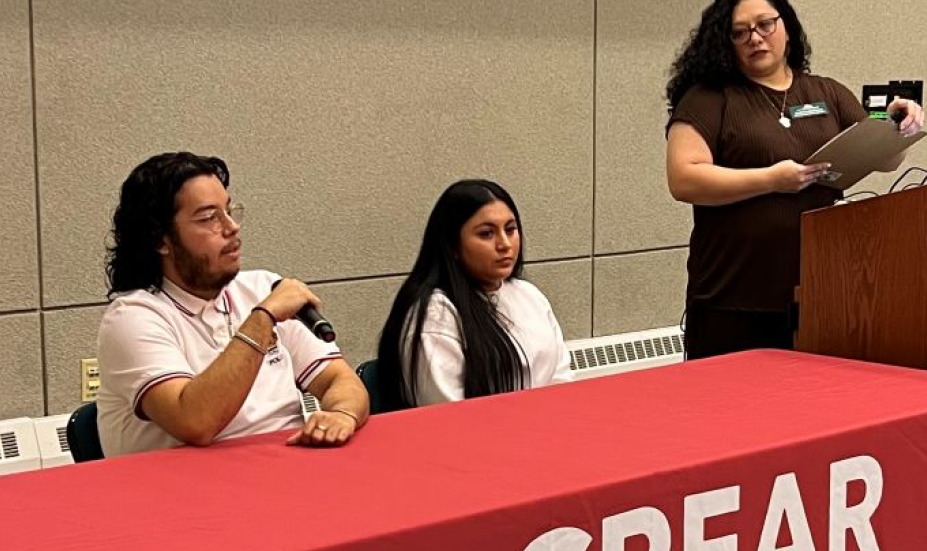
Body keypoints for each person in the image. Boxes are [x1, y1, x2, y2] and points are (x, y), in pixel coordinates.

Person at [664, 0, 924, 359]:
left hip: (820, 292)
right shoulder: (710, 97)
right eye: (740, 32)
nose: (755, 38)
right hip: (733, 297)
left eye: (765, 24)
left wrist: (896, 124)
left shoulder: (826, 93)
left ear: (786, 26)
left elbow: (885, 159)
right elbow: (683, 178)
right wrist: (770, 179)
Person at [97, 152, 369, 457]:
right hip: (183, 492)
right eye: (209, 217)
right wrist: (263, 318)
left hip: (284, 470)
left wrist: (341, 414)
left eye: (229, 211)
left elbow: (340, 379)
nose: (232, 227)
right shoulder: (133, 317)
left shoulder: (262, 287)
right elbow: (196, 422)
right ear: (161, 240)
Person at [376, 179, 571, 409]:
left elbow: (561, 382)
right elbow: (446, 417)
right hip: (477, 440)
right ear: (452, 246)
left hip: (545, 432)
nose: (505, 244)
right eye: (487, 234)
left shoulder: (529, 295)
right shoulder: (436, 314)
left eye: (510, 229)